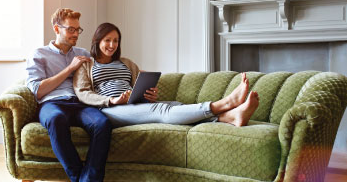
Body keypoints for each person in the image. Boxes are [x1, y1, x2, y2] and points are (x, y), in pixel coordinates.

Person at [73, 23, 259, 127]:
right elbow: (83, 94)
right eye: (107, 40)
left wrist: (148, 95)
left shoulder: (126, 62)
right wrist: (111, 101)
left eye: (115, 41)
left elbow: (139, 84)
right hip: (110, 110)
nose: (112, 45)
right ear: (97, 41)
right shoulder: (86, 64)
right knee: (161, 111)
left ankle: (230, 117)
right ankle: (225, 103)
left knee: (176, 105)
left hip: (133, 104)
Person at [26, 9, 115, 182]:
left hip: (80, 103)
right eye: (71, 29)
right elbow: (37, 90)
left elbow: (100, 78)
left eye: (78, 29)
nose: (76, 34)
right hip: (52, 104)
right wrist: (69, 69)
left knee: (102, 123)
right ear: (57, 29)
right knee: (56, 120)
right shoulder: (39, 54)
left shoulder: (83, 52)